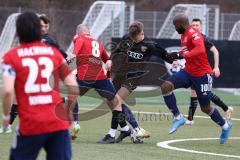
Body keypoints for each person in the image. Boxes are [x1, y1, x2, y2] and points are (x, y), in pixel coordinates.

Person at [1, 12, 78, 159]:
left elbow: (7, 91)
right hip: (58, 123)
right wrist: (67, 110)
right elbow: (73, 86)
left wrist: (6, 116)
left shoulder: (11, 56)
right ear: (38, 29)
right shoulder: (53, 53)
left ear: (18, 31)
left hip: (31, 123)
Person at [161, 13, 232, 144]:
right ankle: (178, 117)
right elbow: (187, 51)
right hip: (188, 72)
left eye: (175, 26)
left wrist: (184, 55)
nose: (175, 29)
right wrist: (176, 55)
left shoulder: (194, 34)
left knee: (205, 108)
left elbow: (200, 50)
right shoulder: (183, 35)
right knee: (166, 86)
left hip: (203, 75)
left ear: (181, 25)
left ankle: (225, 126)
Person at [109, 21, 173, 143]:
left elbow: (166, 55)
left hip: (134, 78)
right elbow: (116, 52)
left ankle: (131, 130)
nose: (133, 39)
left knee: (116, 100)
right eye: (131, 37)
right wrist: (110, 60)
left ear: (141, 33)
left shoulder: (150, 45)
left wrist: (175, 60)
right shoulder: (127, 38)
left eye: (135, 37)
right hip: (120, 74)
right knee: (112, 102)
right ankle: (128, 130)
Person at [66, 24, 130, 144]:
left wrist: (66, 66)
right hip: (100, 77)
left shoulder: (80, 39)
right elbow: (108, 61)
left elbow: (73, 55)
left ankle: (74, 124)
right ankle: (122, 129)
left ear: (78, 32)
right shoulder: (97, 42)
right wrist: (108, 68)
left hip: (85, 76)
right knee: (116, 103)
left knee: (70, 96)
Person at [185, 18, 233, 125]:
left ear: (201, 27)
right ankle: (190, 119)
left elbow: (215, 51)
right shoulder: (189, 38)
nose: (195, 27)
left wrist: (216, 67)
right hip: (194, 71)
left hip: (203, 72)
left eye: (197, 25)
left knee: (205, 94)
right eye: (193, 25)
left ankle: (227, 109)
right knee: (195, 93)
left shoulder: (203, 38)